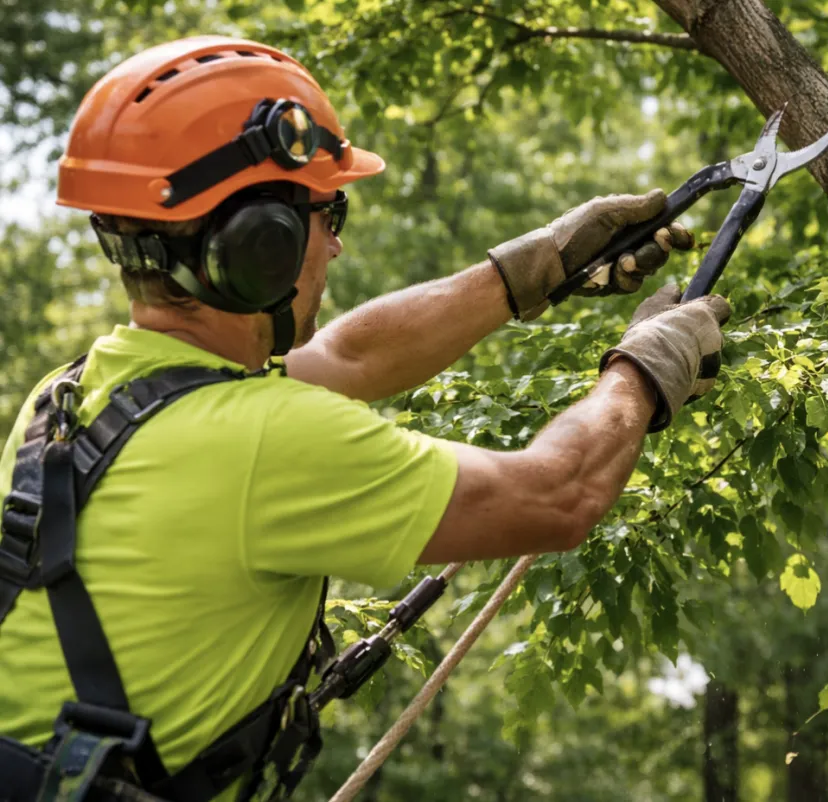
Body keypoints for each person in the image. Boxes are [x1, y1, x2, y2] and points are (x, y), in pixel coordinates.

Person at [0, 35, 730, 800]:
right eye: (326, 211)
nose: (338, 244)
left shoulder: (72, 399)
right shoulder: (265, 441)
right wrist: (646, 366)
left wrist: (538, 262)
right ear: (262, 242)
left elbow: (351, 358)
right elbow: (555, 494)